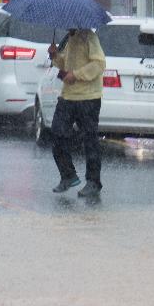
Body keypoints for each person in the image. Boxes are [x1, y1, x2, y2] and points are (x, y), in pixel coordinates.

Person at [48, 27, 107, 197]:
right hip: (68, 96)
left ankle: (93, 182)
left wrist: (77, 75)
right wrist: (54, 56)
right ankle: (68, 175)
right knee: (57, 133)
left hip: (88, 97)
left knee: (90, 140)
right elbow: (65, 63)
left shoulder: (89, 37)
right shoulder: (70, 38)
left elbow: (99, 64)